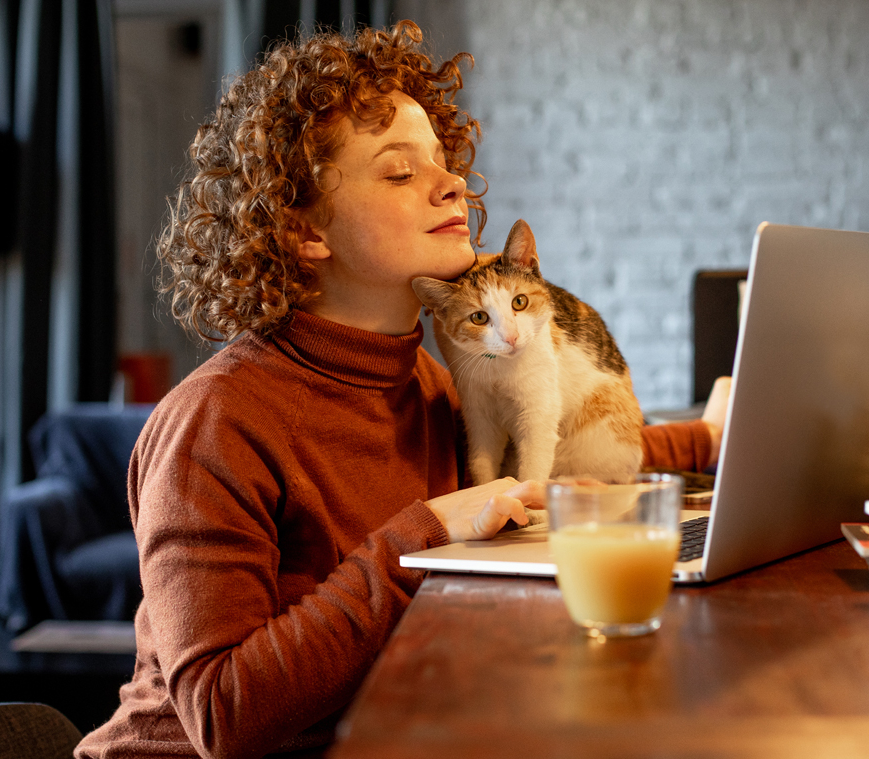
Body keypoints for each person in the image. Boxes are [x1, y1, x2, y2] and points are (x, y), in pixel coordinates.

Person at [75, 21, 726, 759]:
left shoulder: (422, 378)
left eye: (444, 163)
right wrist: (423, 535)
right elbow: (223, 718)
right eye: (398, 171)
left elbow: (554, 447)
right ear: (303, 230)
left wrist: (712, 439)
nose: (451, 183)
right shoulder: (215, 421)